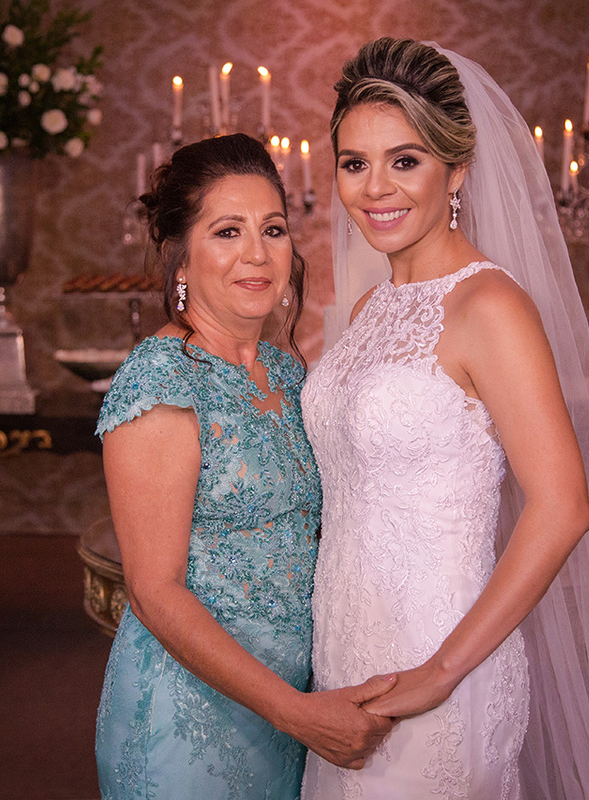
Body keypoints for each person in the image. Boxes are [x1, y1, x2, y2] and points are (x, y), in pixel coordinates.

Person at [301, 39, 589, 799]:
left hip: (442, 656)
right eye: (354, 163)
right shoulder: (366, 308)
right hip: (346, 640)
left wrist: (440, 673)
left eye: (405, 160)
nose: (374, 188)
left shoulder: (491, 307)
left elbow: (563, 507)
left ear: (457, 169)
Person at [94, 133, 396, 800]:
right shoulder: (161, 381)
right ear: (181, 258)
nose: (258, 254)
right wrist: (298, 712)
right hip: (187, 722)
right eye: (228, 231)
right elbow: (154, 591)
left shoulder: (289, 376)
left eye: (274, 229)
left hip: (290, 716)